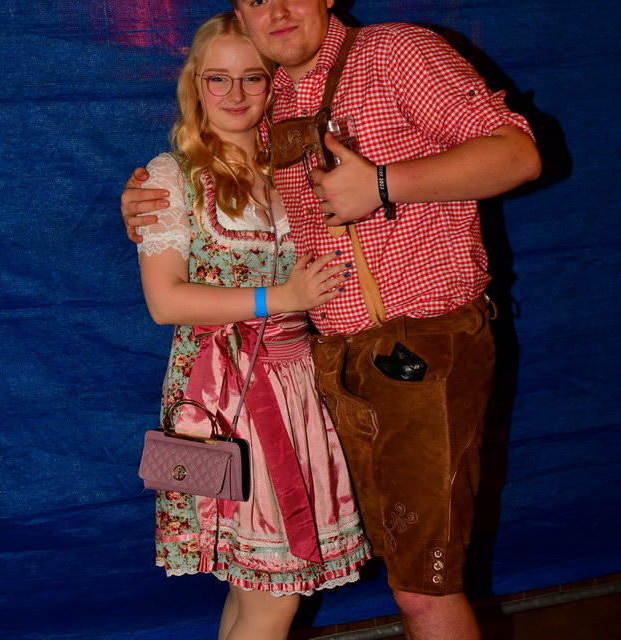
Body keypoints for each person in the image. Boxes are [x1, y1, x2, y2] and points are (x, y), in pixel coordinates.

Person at [122, 3, 542, 639]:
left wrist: (382, 184)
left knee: (414, 583)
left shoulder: (393, 53)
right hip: (267, 385)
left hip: (408, 356)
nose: (276, 12)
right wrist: (146, 200)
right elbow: (170, 287)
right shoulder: (267, 115)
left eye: (250, 78)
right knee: (258, 579)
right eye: (218, 78)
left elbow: (519, 156)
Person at [133, 12, 371, 640]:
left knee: (254, 587)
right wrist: (281, 297)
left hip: (298, 390)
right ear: (196, 85)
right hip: (218, 395)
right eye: (218, 78)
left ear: (273, 84)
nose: (235, 94)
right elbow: (166, 302)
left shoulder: (292, 170)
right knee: (277, 593)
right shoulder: (171, 176)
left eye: (253, 78)